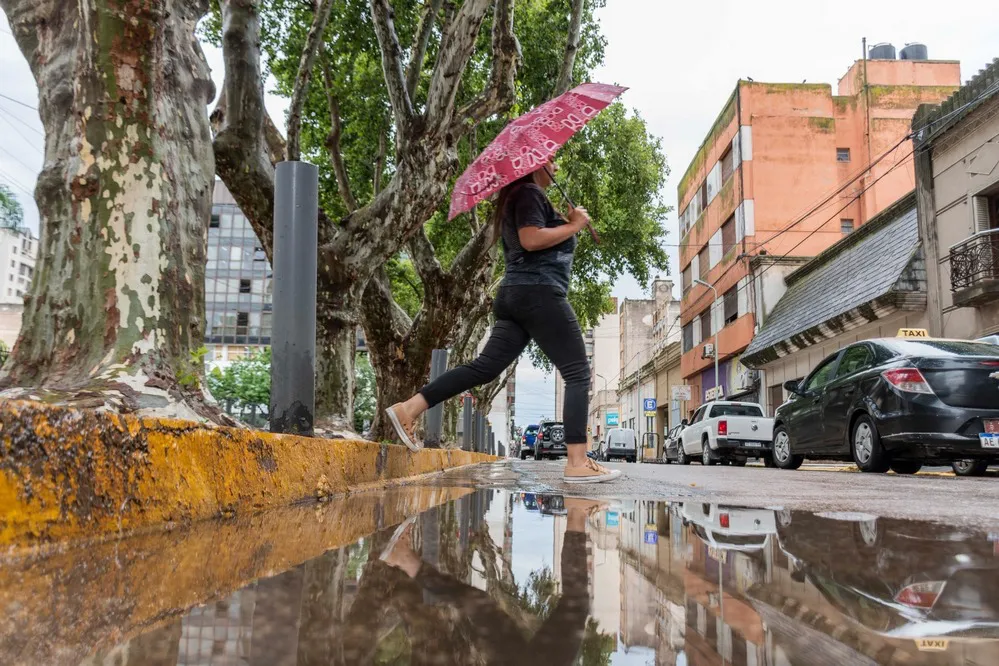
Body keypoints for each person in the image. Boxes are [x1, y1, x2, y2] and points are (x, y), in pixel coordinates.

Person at [385, 160, 621, 484]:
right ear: (535, 163)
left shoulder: (521, 196)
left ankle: (410, 408)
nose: (555, 166)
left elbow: (536, 238)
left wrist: (566, 222)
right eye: (551, 160)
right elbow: (530, 239)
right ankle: (577, 462)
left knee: (484, 368)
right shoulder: (528, 193)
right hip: (538, 293)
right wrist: (574, 226)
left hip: (516, 295)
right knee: (578, 372)